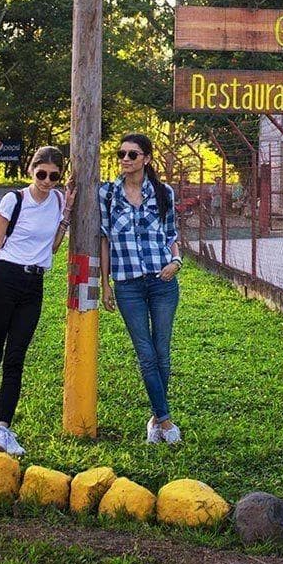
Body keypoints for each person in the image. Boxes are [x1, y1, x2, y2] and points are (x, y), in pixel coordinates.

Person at [0, 146, 75, 456]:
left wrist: (66, 215)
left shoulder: (56, 200)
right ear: (31, 170)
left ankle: (3, 428)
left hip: (33, 285)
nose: (47, 180)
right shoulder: (13, 200)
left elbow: (52, 248)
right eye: (41, 173)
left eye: (54, 176)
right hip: (3, 280)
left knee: (15, 358)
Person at [99, 133, 183, 445]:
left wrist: (176, 261)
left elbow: (172, 232)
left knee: (162, 353)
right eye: (121, 153)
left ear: (146, 158)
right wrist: (105, 283)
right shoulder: (107, 194)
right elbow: (104, 239)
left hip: (163, 282)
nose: (125, 159)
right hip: (128, 285)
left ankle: (154, 419)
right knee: (145, 354)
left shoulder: (164, 192)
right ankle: (166, 421)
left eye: (132, 154)